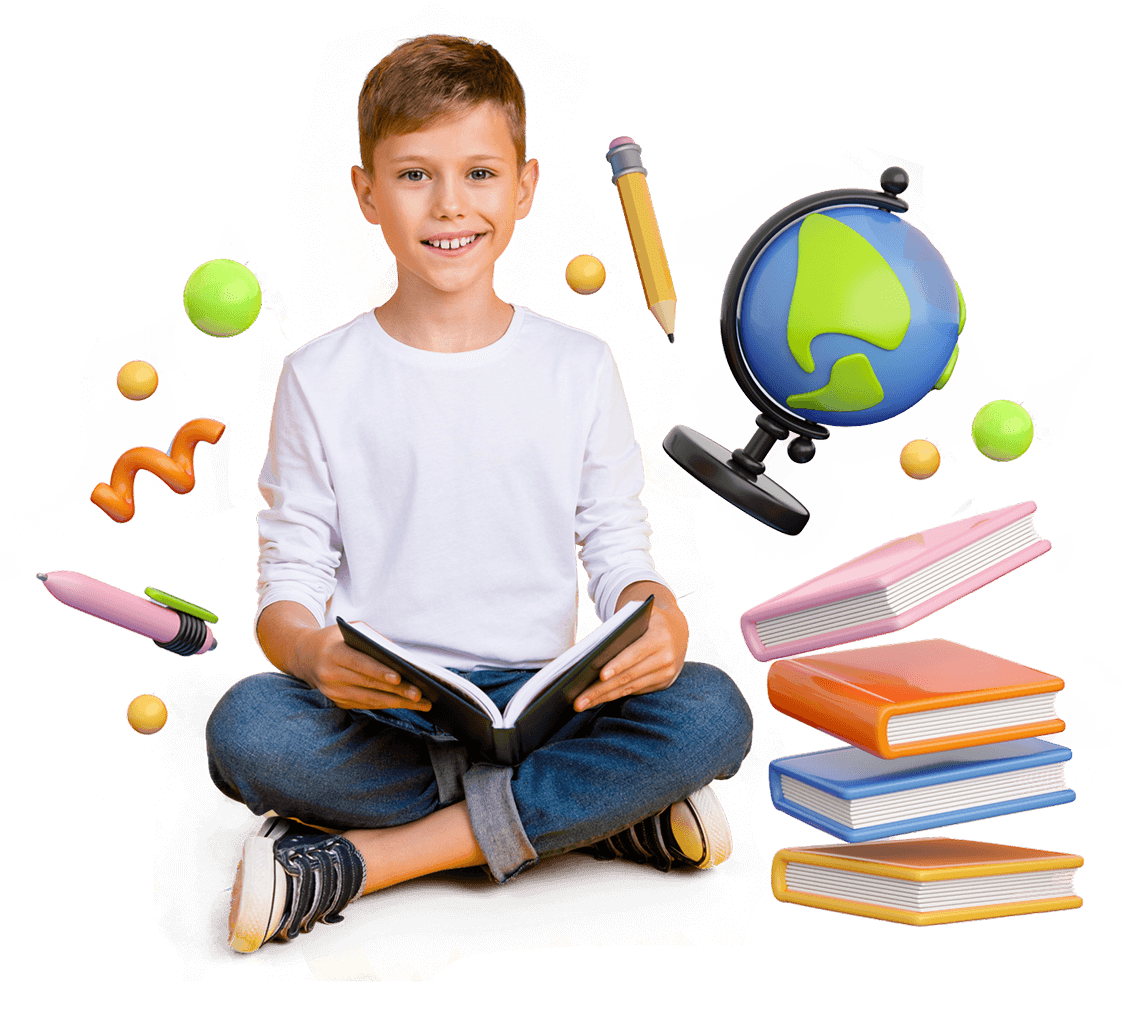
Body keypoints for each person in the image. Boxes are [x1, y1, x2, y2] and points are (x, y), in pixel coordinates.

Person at [205, 33, 754, 953]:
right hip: (388, 712)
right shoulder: (318, 376)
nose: (451, 205)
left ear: (526, 187)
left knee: (711, 709)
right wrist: (310, 656)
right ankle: (603, 811)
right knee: (249, 728)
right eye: (415, 176)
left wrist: (657, 617)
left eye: (480, 173)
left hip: (544, 704)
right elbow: (285, 588)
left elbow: (621, 554)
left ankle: (371, 859)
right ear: (366, 194)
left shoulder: (578, 366)